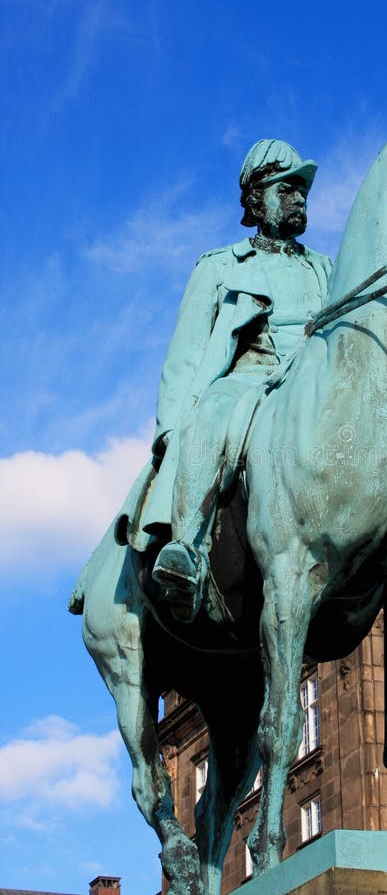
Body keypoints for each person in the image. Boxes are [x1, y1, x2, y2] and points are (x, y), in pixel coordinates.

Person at [117, 139, 332, 620]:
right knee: (210, 414)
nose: (299, 197)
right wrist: (172, 427)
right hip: (248, 381)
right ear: (257, 197)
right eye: (287, 187)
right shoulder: (220, 266)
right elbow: (186, 355)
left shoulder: (325, 268)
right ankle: (188, 550)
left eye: (302, 188)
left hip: (317, 381)